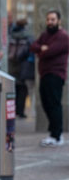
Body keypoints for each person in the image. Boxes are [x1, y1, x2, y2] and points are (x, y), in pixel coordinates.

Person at [34, 10, 69, 146]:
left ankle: (57, 135)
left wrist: (42, 51)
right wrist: (41, 48)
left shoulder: (63, 36)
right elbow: (33, 46)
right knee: (46, 103)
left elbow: (49, 53)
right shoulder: (45, 35)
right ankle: (53, 133)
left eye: (53, 19)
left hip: (56, 74)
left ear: (59, 21)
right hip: (44, 74)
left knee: (54, 105)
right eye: (48, 19)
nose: (50, 22)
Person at [8, 18, 35, 119]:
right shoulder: (28, 37)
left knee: (13, 89)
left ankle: (13, 110)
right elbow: (29, 50)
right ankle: (20, 111)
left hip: (11, 65)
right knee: (23, 89)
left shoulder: (11, 35)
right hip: (23, 65)